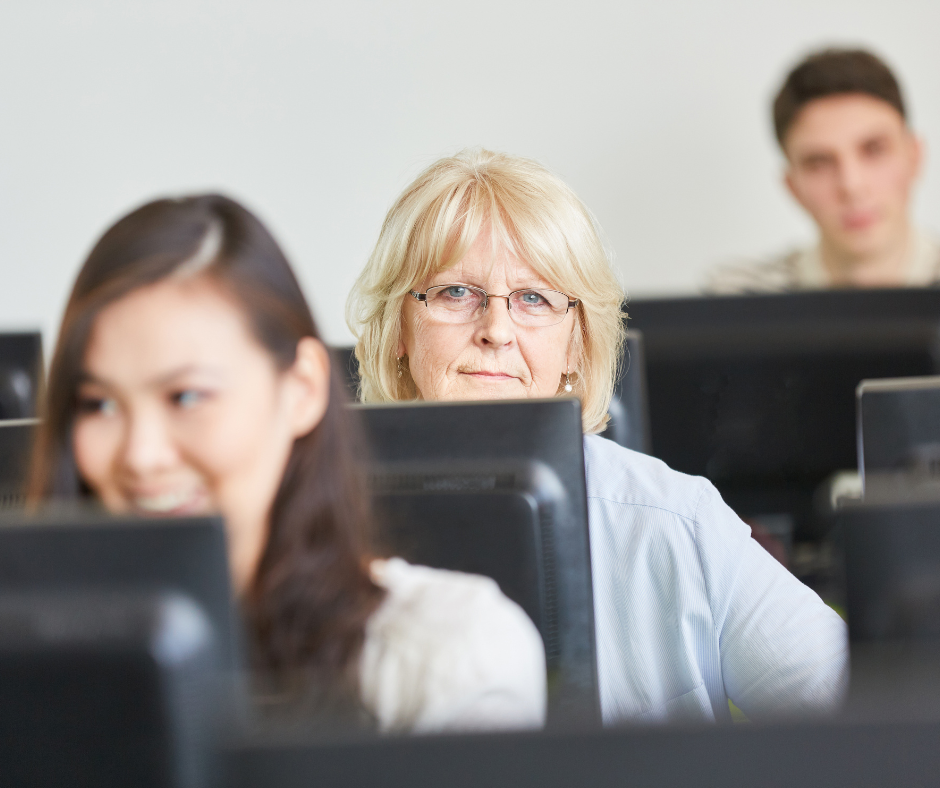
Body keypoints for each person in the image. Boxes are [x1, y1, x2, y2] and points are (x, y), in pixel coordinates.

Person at [347, 148, 849, 725]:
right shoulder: (315, 526)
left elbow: (861, 716)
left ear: (576, 346)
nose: (496, 330)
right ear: (399, 332)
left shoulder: (674, 519)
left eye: (533, 298)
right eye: (455, 292)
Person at [27, 194, 546, 734]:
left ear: (300, 390)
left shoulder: (448, 655)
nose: (140, 456)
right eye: (99, 405)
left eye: (185, 397)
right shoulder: (33, 648)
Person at [706, 47, 939, 293]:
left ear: (915, 157)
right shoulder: (737, 297)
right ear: (793, 187)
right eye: (819, 164)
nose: (852, 186)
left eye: (874, 151)